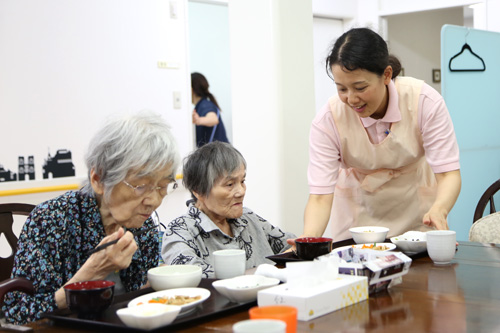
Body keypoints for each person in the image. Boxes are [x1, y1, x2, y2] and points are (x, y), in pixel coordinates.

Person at [2, 111, 180, 324]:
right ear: (98, 179)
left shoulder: (142, 223)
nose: (153, 200)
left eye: (162, 186)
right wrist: (92, 273)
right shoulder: (51, 220)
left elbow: (138, 297)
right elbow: (16, 313)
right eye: (141, 186)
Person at [302, 28, 461, 241]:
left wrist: (439, 209)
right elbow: (320, 197)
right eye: (342, 89)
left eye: (360, 87)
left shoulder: (423, 101)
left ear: (386, 75)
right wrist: (308, 240)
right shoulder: (328, 120)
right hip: (358, 220)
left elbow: (448, 173)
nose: (351, 99)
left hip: (417, 215)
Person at [161, 141, 295, 278]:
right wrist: (264, 271)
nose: (241, 192)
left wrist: (302, 246)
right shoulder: (180, 231)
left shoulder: (247, 217)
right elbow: (194, 277)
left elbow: (288, 245)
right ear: (198, 191)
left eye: (242, 181)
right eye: (230, 184)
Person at [191, 72, 229, 147]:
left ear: (191, 90)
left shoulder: (205, 105)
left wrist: (199, 120)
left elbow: (213, 119)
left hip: (219, 155)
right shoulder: (200, 105)